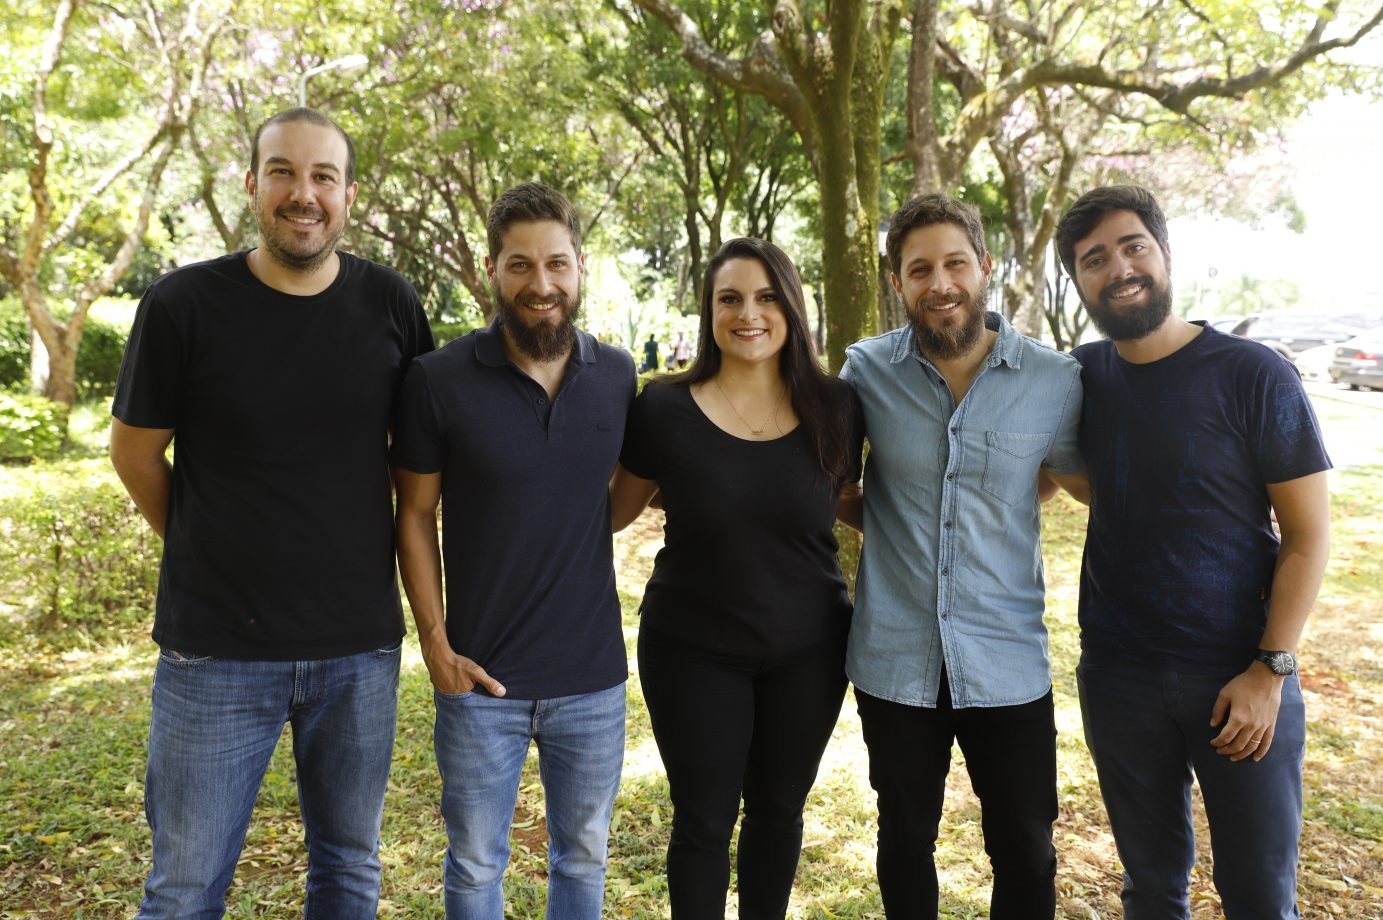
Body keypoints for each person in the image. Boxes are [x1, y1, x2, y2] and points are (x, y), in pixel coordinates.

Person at [108, 107, 433, 918]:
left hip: (357, 649)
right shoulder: (183, 303)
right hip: (215, 651)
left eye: (323, 176)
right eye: (283, 172)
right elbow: (136, 453)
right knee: (185, 886)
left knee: (349, 871)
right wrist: (204, 543)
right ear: (252, 185)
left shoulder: (391, 303)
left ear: (349, 195)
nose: (303, 193)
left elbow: (418, 460)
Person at [1053, 185, 1331, 919]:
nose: (1118, 268)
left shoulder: (1251, 372)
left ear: (1165, 254)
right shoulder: (1078, 378)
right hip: (1116, 677)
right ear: (1077, 280)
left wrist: (1269, 670)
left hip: (1237, 677)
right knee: (1150, 892)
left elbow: (1306, 533)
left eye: (1132, 245)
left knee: (1259, 899)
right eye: (1093, 258)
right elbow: (1082, 483)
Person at [837, 193, 1086, 918]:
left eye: (953, 263)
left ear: (983, 267)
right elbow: (831, 485)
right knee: (903, 838)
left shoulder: (1052, 378)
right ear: (898, 284)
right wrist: (890, 521)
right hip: (893, 657)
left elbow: (1059, 480)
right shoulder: (864, 372)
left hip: (1005, 656)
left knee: (1024, 846)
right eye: (919, 270)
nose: (938, 282)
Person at [392, 182, 633, 919]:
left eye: (556, 264)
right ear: (492, 269)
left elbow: (620, 500)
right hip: (479, 682)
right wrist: (434, 643)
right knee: (472, 865)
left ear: (580, 266)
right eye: (520, 265)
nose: (541, 284)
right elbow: (414, 514)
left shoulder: (618, 376)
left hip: (591, 682)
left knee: (583, 857)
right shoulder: (437, 380)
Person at [608, 238, 856, 919]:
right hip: (692, 649)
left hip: (809, 651)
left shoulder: (836, 406)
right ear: (709, 312)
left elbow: (853, 504)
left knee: (778, 813)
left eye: (767, 296)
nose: (749, 313)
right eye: (730, 299)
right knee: (703, 823)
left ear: (792, 308)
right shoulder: (662, 409)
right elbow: (608, 513)